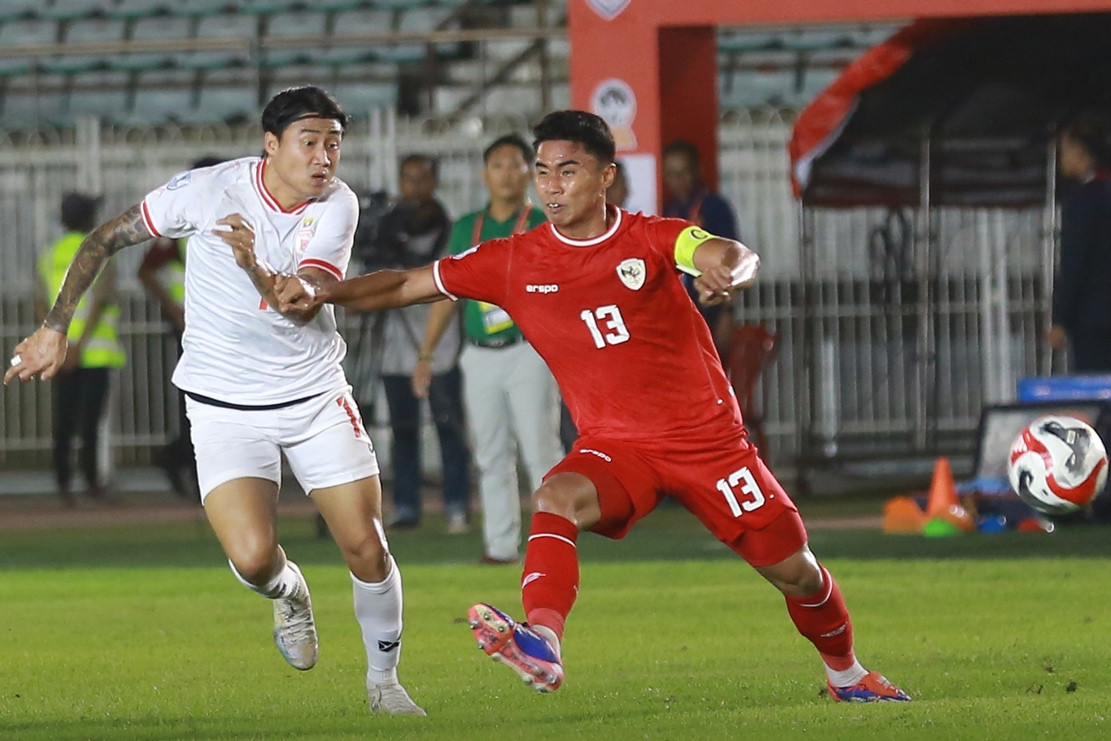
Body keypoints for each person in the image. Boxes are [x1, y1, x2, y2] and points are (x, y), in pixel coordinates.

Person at [273, 110, 911, 703]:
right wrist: (326, 293)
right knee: (556, 497)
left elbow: (725, 253)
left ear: (606, 175)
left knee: (797, 572)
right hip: (616, 445)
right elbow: (411, 283)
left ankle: (847, 674)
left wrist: (729, 272)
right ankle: (543, 643)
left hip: (708, 444)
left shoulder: (652, 238)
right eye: (542, 171)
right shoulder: (514, 260)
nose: (551, 186)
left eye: (568, 170)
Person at [7, 86, 425, 716]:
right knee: (255, 558)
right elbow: (103, 240)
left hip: (312, 395)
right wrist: (55, 327)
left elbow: (301, 297)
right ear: (271, 145)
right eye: (309, 142)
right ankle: (289, 594)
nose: (324, 158)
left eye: (333, 144)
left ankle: (385, 683)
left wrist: (253, 265)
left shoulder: (337, 205)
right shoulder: (206, 190)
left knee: (366, 545)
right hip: (223, 403)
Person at [411, 134, 561, 565]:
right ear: (485, 174)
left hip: (528, 349)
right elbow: (446, 294)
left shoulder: (541, 224)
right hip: (478, 353)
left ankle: (553, 544)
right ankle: (500, 546)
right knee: (490, 453)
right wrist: (426, 355)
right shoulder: (466, 227)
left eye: (516, 165)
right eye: (498, 165)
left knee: (540, 451)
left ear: (529, 173)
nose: (507, 173)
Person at [365, 153, 472, 531]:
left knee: (449, 428)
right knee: (402, 431)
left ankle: (457, 503)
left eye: (421, 178)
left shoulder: (451, 230)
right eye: (407, 178)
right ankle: (406, 507)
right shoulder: (387, 230)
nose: (413, 186)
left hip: (440, 347)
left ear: (434, 183)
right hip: (395, 346)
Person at [137, 155, 224, 499]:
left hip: (225, 327)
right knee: (201, 402)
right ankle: (183, 461)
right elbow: (145, 271)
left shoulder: (240, 218)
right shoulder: (184, 222)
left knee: (220, 403)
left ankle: (182, 460)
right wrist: (175, 310)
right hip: (195, 329)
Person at [34, 192, 126, 506]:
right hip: (94, 352)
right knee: (89, 422)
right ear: (88, 219)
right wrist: (79, 345)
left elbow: (39, 302)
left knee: (63, 419)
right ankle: (91, 482)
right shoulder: (97, 250)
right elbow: (101, 301)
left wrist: (57, 338)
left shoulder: (50, 254)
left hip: (58, 353)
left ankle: (62, 483)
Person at [662, 139, 740, 358]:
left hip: (710, 308)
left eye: (683, 173)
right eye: (671, 174)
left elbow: (730, 259)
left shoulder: (715, 208)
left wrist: (727, 312)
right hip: (679, 314)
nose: (677, 181)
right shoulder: (670, 210)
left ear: (697, 171)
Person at [1046, 116, 1111, 372]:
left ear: (1079, 151)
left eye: (1064, 151)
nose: (1061, 159)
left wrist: (1060, 318)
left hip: (1093, 317)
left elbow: (1075, 260)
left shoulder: (1084, 200)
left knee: (1095, 390)